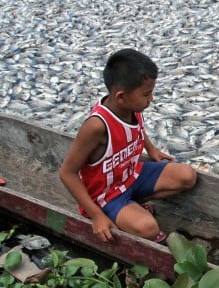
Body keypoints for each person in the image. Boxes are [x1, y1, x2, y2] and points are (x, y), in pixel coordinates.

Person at [59, 48, 197, 243]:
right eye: (147, 94)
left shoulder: (133, 106)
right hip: (106, 194)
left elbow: (137, 127)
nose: (151, 99)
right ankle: (116, 212)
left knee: (187, 176)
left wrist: (151, 150)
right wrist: (97, 216)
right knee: (148, 228)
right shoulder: (97, 126)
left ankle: (135, 205)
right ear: (121, 96)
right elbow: (67, 172)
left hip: (131, 174)